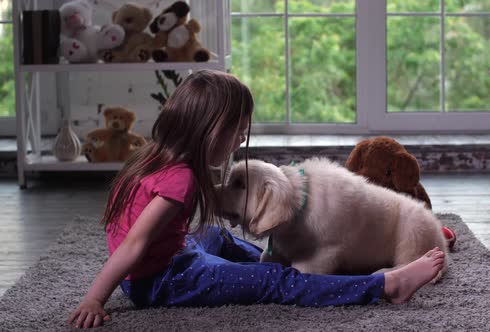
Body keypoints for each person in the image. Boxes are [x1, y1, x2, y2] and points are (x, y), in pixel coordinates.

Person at [68, 70, 446, 329]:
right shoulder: (179, 180)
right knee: (276, 280)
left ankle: (313, 269)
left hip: (171, 256)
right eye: (238, 131)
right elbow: (134, 243)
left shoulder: (155, 155)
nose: (240, 142)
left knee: (219, 239)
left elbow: (131, 233)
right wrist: (94, 298)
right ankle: (383, 286)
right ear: (210, 131)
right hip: (163, 281)